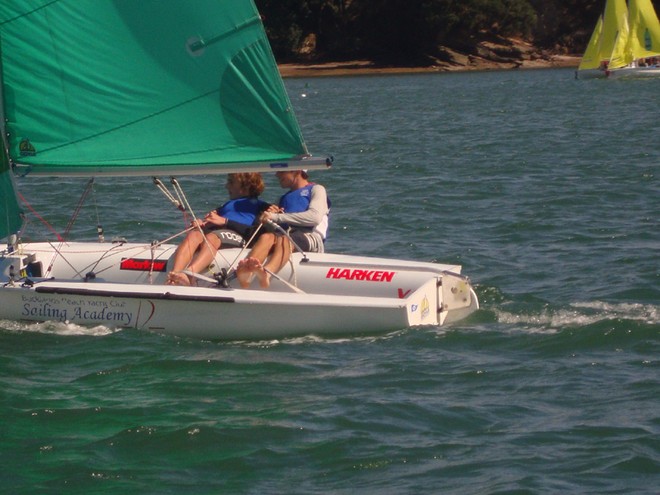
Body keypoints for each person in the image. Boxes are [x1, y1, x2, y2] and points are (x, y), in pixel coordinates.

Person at [167, 172, 267, 286]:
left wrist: (226, 222)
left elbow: (256, 232)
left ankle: (190, 274)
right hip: (217, 231)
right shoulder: (226, 205)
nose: (227, 186)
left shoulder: (263, 206)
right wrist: (202, 223)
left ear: (246, 187)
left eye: (231, 182)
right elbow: (214, 220)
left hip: (238, 235)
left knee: (213, 237)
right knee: (193, 235)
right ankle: (174, 275)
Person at [236, 169, 329, 289]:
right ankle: (246, 275)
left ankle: (267, 274)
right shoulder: (283, 198)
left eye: (281, 171)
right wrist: (267, 219)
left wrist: (276, 217)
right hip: (284, 235)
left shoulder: (316, 189)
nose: (277, 174)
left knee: (285, 239)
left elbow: (314, 217)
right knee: (266, 237)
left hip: (309, 236)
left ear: (296, 171)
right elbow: (274, 223)